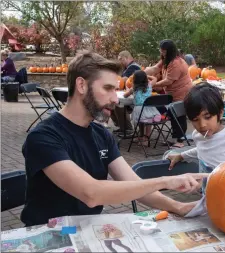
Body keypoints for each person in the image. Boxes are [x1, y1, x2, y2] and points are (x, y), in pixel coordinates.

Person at [20, 50, 208, 227]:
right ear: (81, 85)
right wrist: (166, 181)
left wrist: (178, 207)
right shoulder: (43, 137)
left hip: (88, 232)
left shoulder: (102, 134)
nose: (116, 99)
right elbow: (91, 193)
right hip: (47, 235)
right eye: (108, 89)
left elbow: (133, 183)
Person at [167, 83, 225, 193]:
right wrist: (181, 156)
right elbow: (204, 148)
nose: (202, 125)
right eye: (195, 119)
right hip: (207, 196)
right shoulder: (197, 135)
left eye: (207, 117)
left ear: (220, 113)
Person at [146, 40, 193, 148]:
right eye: (161, 51)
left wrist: (153, 84)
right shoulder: (167, 60)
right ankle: (175, 138)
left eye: (164, 51)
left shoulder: (176, 63)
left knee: (178, 115)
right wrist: (142, 73)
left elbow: (168, 81)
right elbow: (155, 68)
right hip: (171, 93)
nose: (161, 53)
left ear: (170, 51)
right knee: (172, 114)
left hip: (181, 92)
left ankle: (180, 141)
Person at [123, 70, 161, 145]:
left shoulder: (134, 88)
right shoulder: (149, 85)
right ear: (145, 79)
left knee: (141, 120)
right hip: (150, 109)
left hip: (139, 110)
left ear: (134, 80)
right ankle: (145, 137)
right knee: (148, 121)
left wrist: (128, 90)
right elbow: (155, 79)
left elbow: (125, 96)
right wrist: (147, 76)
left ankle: (144, 138)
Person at [111, 51, 142, 135]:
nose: (120, 62)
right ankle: (122, 127)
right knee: (113, 103)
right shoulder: (128, 67)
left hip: (135, 96)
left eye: (120, 59)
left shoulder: (133, 67)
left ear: (125, 57)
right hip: (132, 94)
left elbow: (123, 80)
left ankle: (127, 128)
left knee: (117, 103)